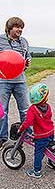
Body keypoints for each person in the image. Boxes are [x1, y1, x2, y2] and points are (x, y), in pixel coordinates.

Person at [0, 17, 31, 150]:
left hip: (20, 81)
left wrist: (28, 61)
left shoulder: (24, 42)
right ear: (9, 28)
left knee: (25, 110)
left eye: (21, 27)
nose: (20, 30)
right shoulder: (0, 39)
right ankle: (2, 138)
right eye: (17, 27)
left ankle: (28, 134)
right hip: (3, 81)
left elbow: (27, 55)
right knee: (3, 111)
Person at [18, 83, 54, 179]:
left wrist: (21, 128)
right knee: (49, 146)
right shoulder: (48, 106)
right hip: (50, 131)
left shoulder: (32, 109)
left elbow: (28, 122)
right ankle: (51, 162)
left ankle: (36, 171)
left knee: (38, 152)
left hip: (42, 135)